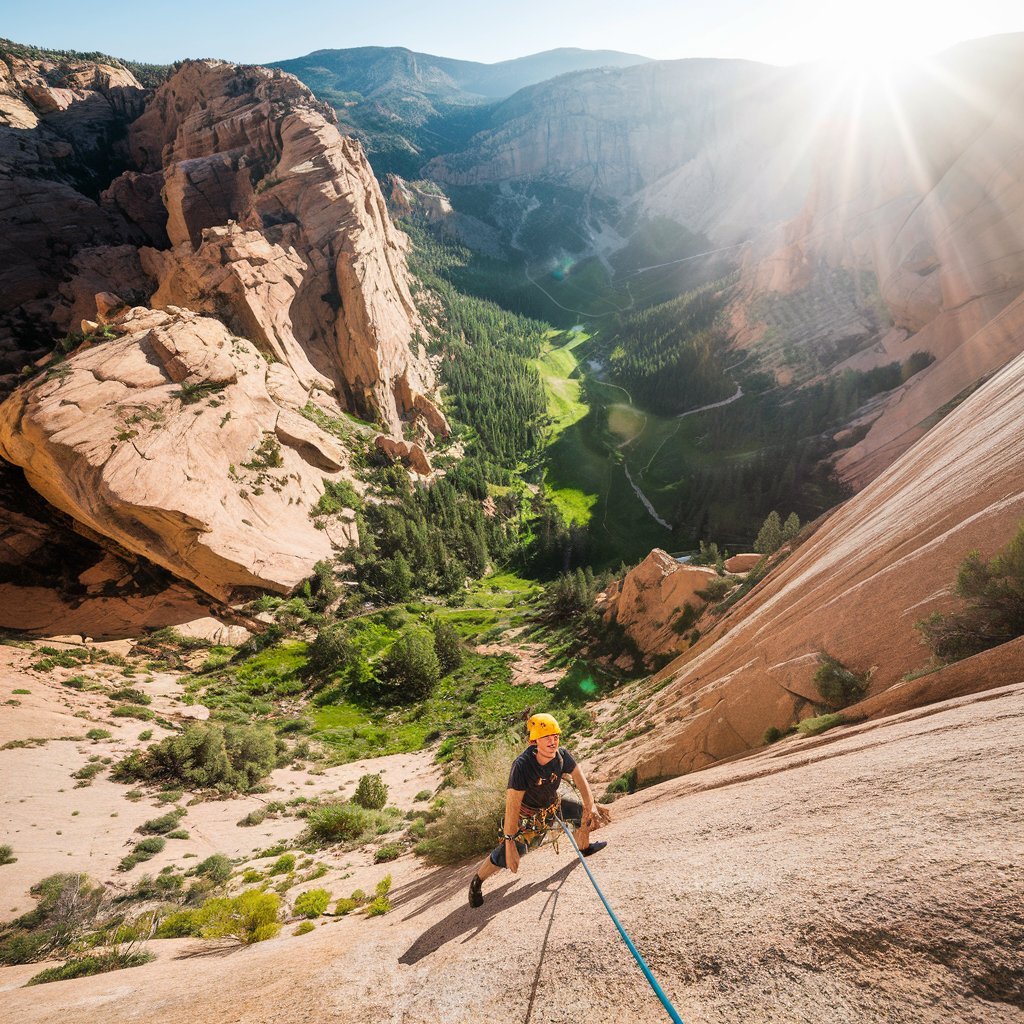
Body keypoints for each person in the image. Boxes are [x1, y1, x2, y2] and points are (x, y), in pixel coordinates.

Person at [468, 712, 608, 908]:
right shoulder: (522, 766)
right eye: (547, 737)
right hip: (528, 815)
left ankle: (584, 848)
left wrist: (589, 807)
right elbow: (512, 806)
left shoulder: (562, 755)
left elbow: (581, 780)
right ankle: (477, 882)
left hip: (552, 804)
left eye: (556, 736)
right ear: (534, 741)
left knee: (580, 815)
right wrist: (509, 844)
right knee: (512, 853)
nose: (553, 741)